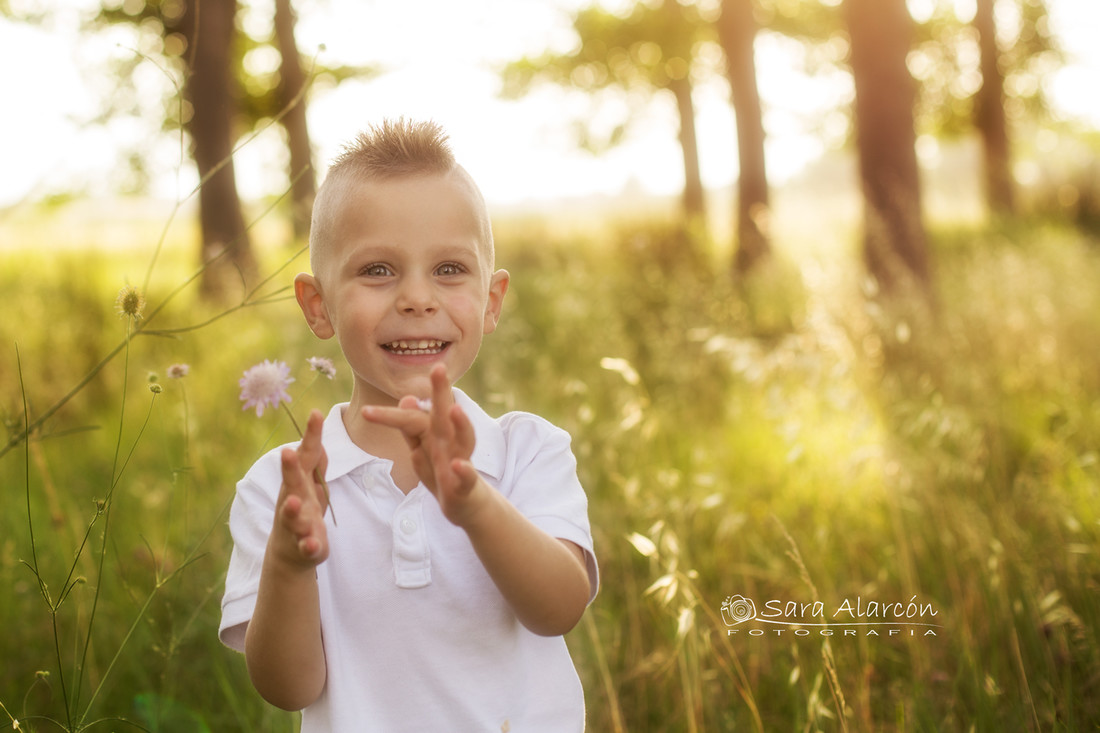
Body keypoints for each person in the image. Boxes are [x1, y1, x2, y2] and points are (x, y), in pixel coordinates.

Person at [219, 118, 599, 732]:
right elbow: (289, 687)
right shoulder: (286, 488)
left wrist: (472, 500)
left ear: (492, 300)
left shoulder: (527, 452)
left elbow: (559, 609)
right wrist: (290, 562)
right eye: (377, 271)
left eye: (449, 269)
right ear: (319, 306)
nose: (417, 298)